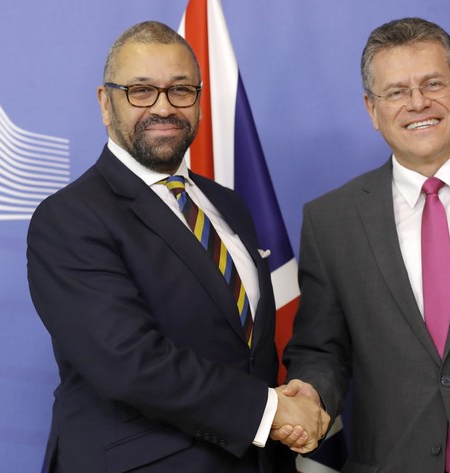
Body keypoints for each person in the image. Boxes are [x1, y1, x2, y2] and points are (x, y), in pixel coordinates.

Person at [27, 21, 328, 473]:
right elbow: (128, 363)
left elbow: (249, 348)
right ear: (105, 103)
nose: (163, 107)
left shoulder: (227, 204)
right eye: (141, 91)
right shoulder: (68, 218)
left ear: (200, 102)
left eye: (180, 90)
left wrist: (292, 403)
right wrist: (271, 411)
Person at [279, 17, 450, 473]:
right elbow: (322, 348)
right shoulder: (330, 219)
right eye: (396, 92)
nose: (417, 103)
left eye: (432, 83)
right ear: (371, 108)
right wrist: (311, 391)